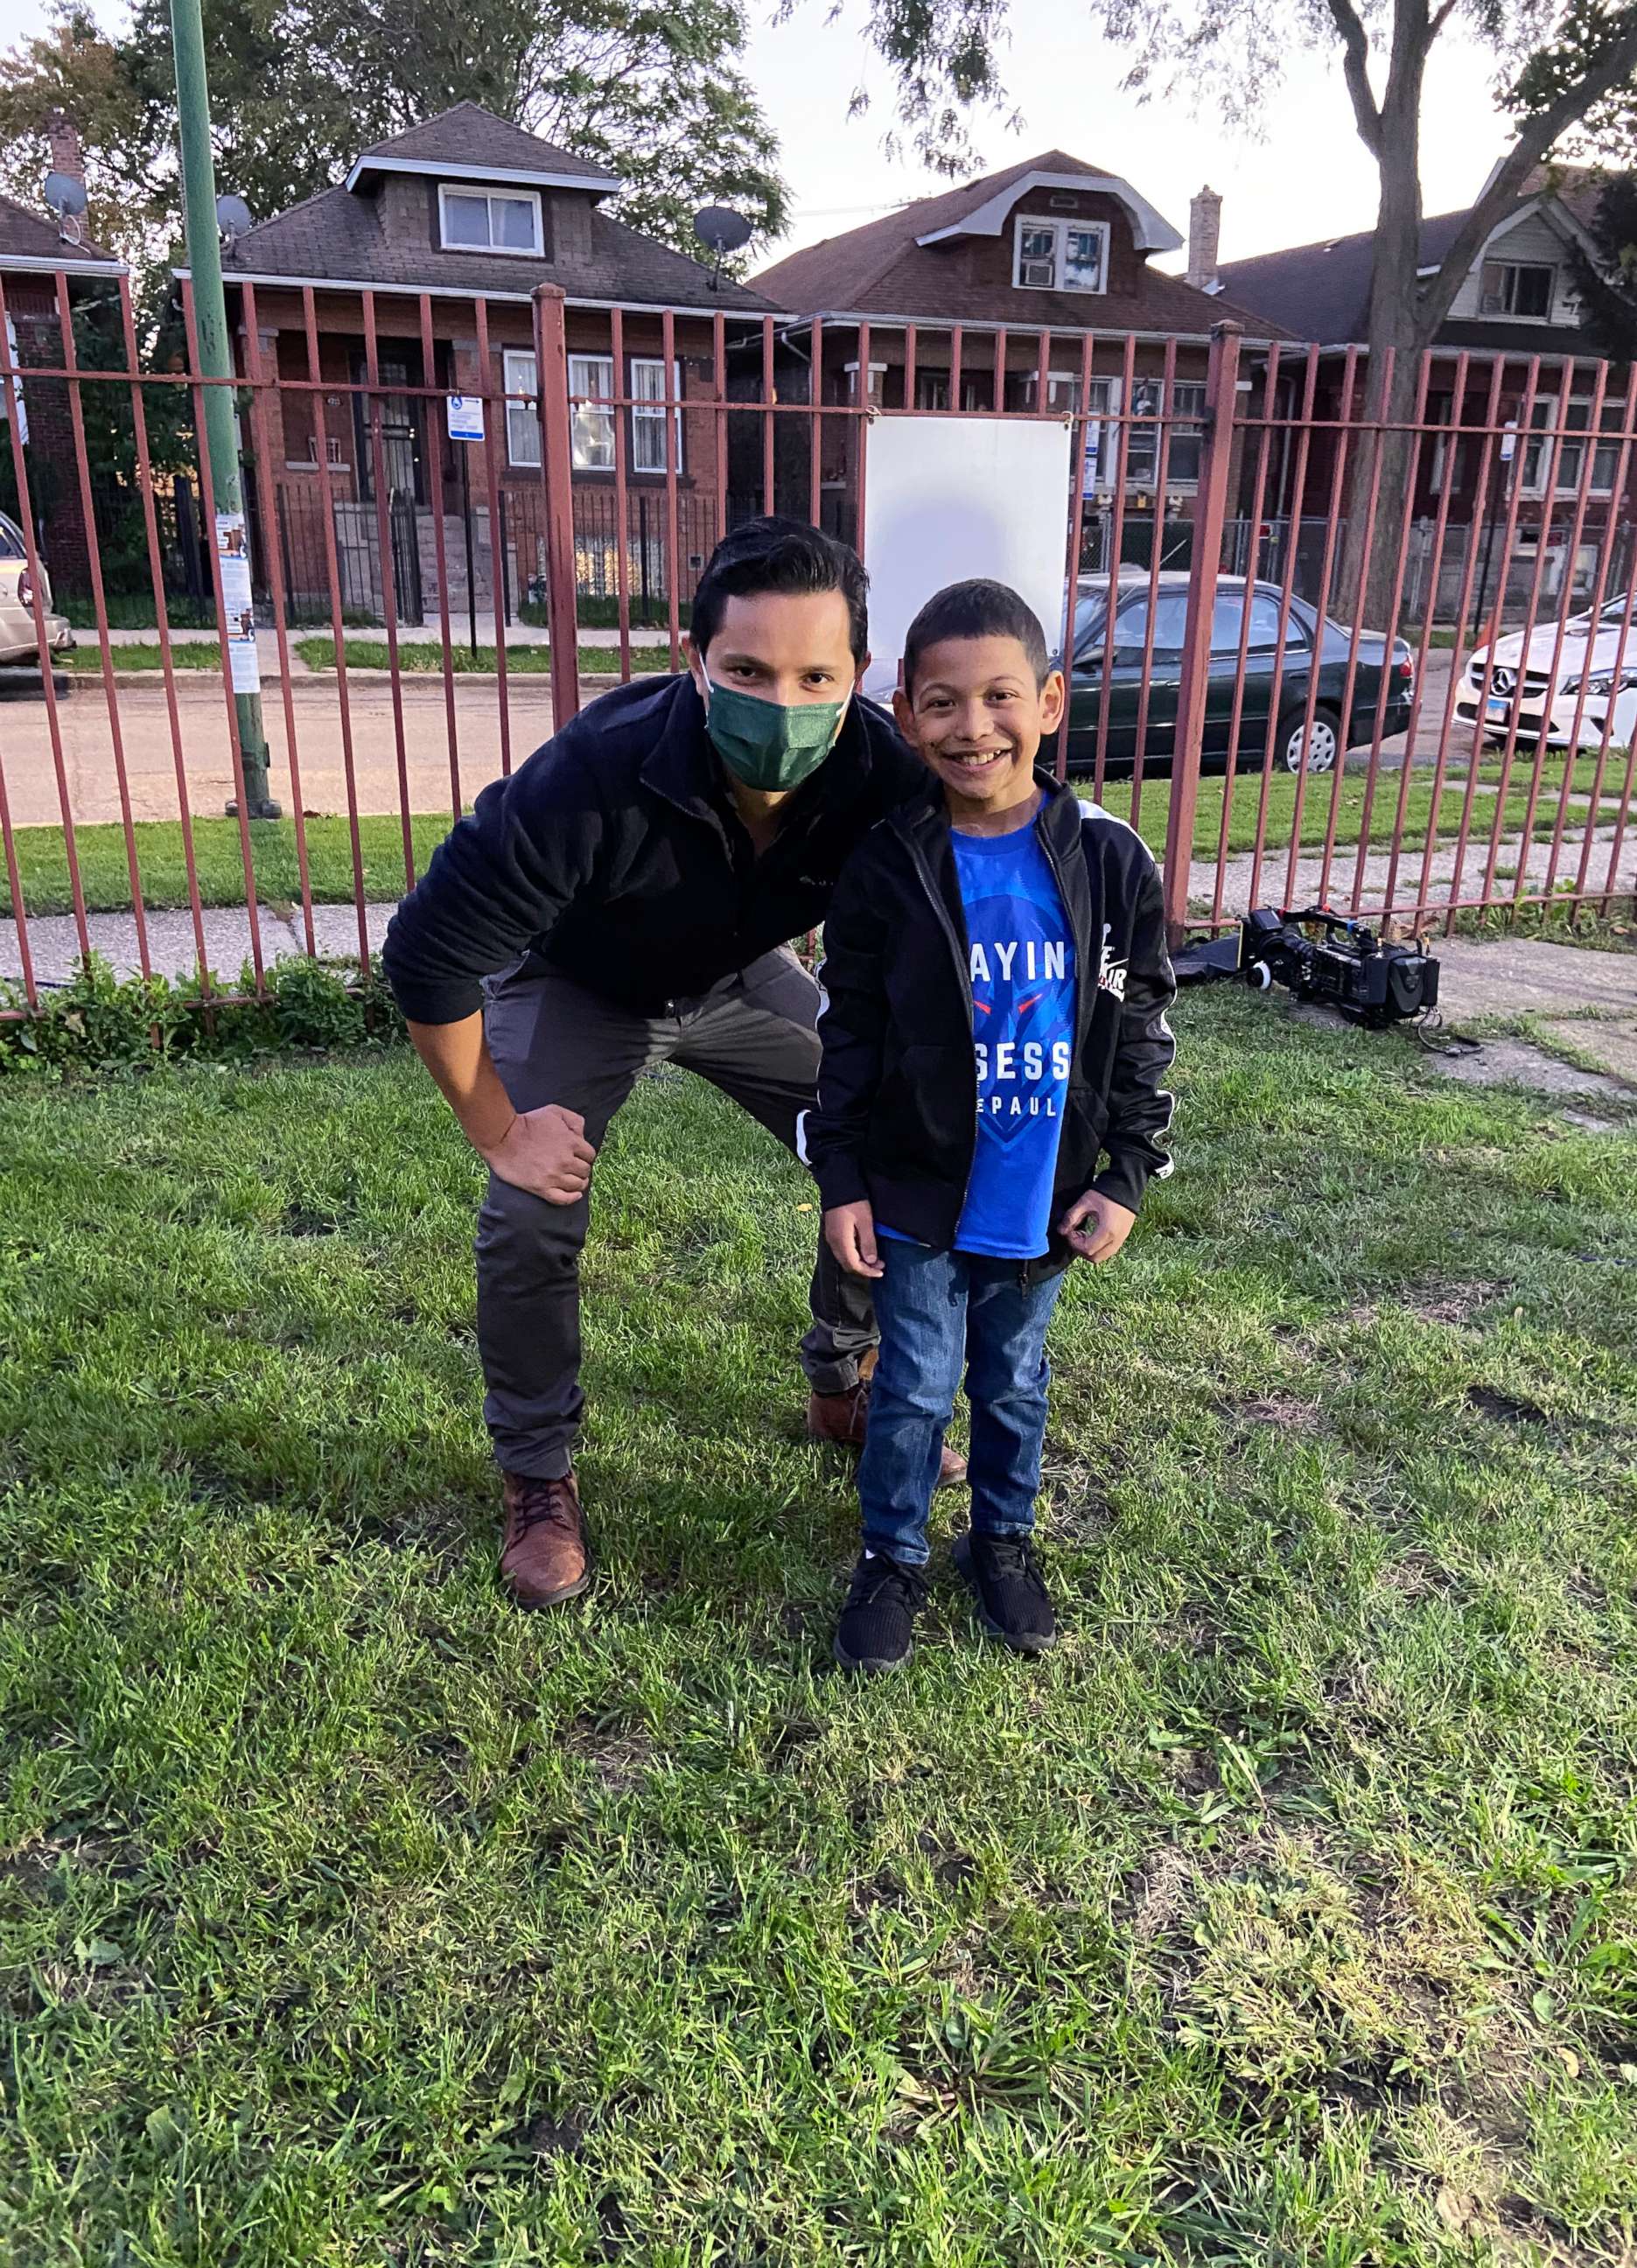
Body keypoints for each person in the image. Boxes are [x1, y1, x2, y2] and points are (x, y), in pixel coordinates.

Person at [382, 518, 965, 1612]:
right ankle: (537, 1474)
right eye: (747, 671)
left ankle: (844, 1378)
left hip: (743, 980)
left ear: (857, 680)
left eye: (814, 676)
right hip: (581, 985)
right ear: (696, 663)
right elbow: (424, 955)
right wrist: (501, 1129)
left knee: (896, 1141)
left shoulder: (884, 779)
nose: (780, 704)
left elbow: (940, 941)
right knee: (528, 1211)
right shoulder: (593, 773)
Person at [805, 578, 1177, 1675]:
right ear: (905, 712)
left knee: (1014, 1383)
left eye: (1001, 697)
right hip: (917, 1189)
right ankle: (891, 1558)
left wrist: (1128, 1172)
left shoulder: (1108, 859)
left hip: (1043, 1194)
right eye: (942, 704)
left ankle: (1002, 1546)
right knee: (915, 1384)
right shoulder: (887, 861)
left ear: (1051, 703)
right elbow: (848, 1031)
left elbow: (1142, 1022)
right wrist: (842, 1179)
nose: (974, 728)